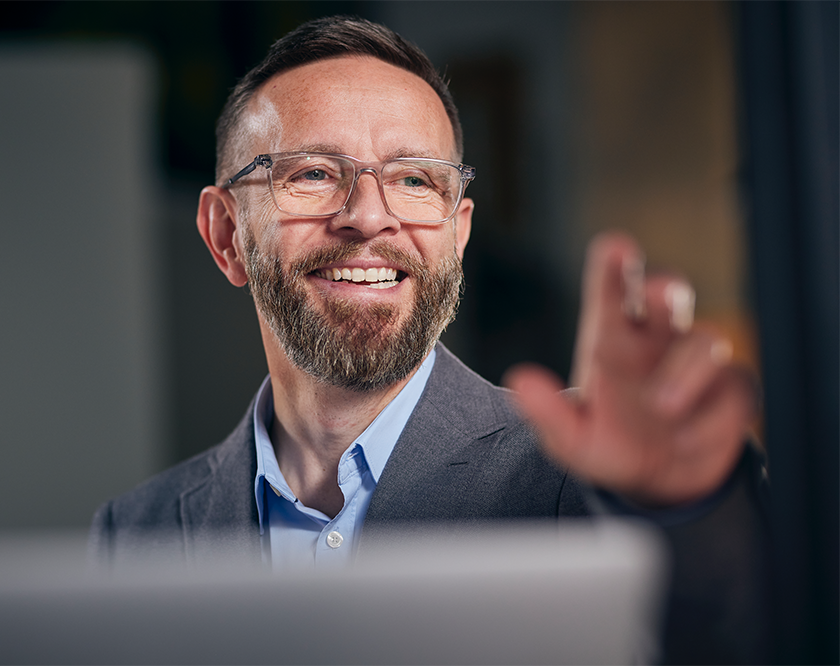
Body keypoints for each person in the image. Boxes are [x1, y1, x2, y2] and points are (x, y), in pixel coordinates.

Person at [91, 15, 767, 663]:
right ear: (225, 235)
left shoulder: (584, 479)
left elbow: (741, 640)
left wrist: (683, 507)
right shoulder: (136, 534)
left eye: (414, 180)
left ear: (457, 232)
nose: (368, 217)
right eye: (313, 174)